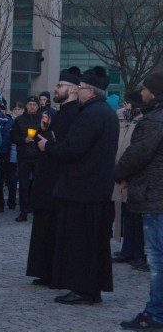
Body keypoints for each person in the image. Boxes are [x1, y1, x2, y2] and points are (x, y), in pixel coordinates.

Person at [37, 66, 120, 305]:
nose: (78, 92)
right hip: (96, 189)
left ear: (90, 93)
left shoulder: (91, 115)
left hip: (83, 189)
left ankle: (83, 288)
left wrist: (47, 147)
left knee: (81, 243)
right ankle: (89, 288)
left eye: (81, 89)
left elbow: (72, 149)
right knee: (93, 244)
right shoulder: (105, 113)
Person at [113, 71, 163, 330]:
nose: (141, 93)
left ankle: (156, 313)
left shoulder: (154, 120)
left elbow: (138, 153)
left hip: (156, 196)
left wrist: (120, 174)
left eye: (144, 89)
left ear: (153, 92)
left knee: (157, 258)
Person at [25, 68, 82, 285]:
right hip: (48, 178)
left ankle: (54, 273)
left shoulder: (76, 113)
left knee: (54, 228)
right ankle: (45, 271)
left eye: (60, 86)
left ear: (73, 89)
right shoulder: (61, 113)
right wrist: (46, 130)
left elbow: (67, 147)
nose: (55, 89)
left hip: (59, 180)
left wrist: (48, 144)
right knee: (45, 227)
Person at [113, 90, 149, 271]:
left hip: (134, 179)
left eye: (128, 104)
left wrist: (126, 175)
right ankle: (128, 250)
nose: (125, 106)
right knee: (126, 215)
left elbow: (136, 153)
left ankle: (138, 253)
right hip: (123, 178)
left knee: (136, 218)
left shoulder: (142, 123)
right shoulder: (127, 123)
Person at [9, 96, 43, 222]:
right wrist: (23, 140)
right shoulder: (19, 120)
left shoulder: (42, 119)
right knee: (23, 186)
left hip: (38, 156)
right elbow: (12, 136)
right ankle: (23, 212)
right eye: (29, 104)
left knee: (37, 185)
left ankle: (36, 210)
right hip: (23, 157)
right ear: (26, 106)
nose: (32, 106)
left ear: (38, 106)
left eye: (34, 104)